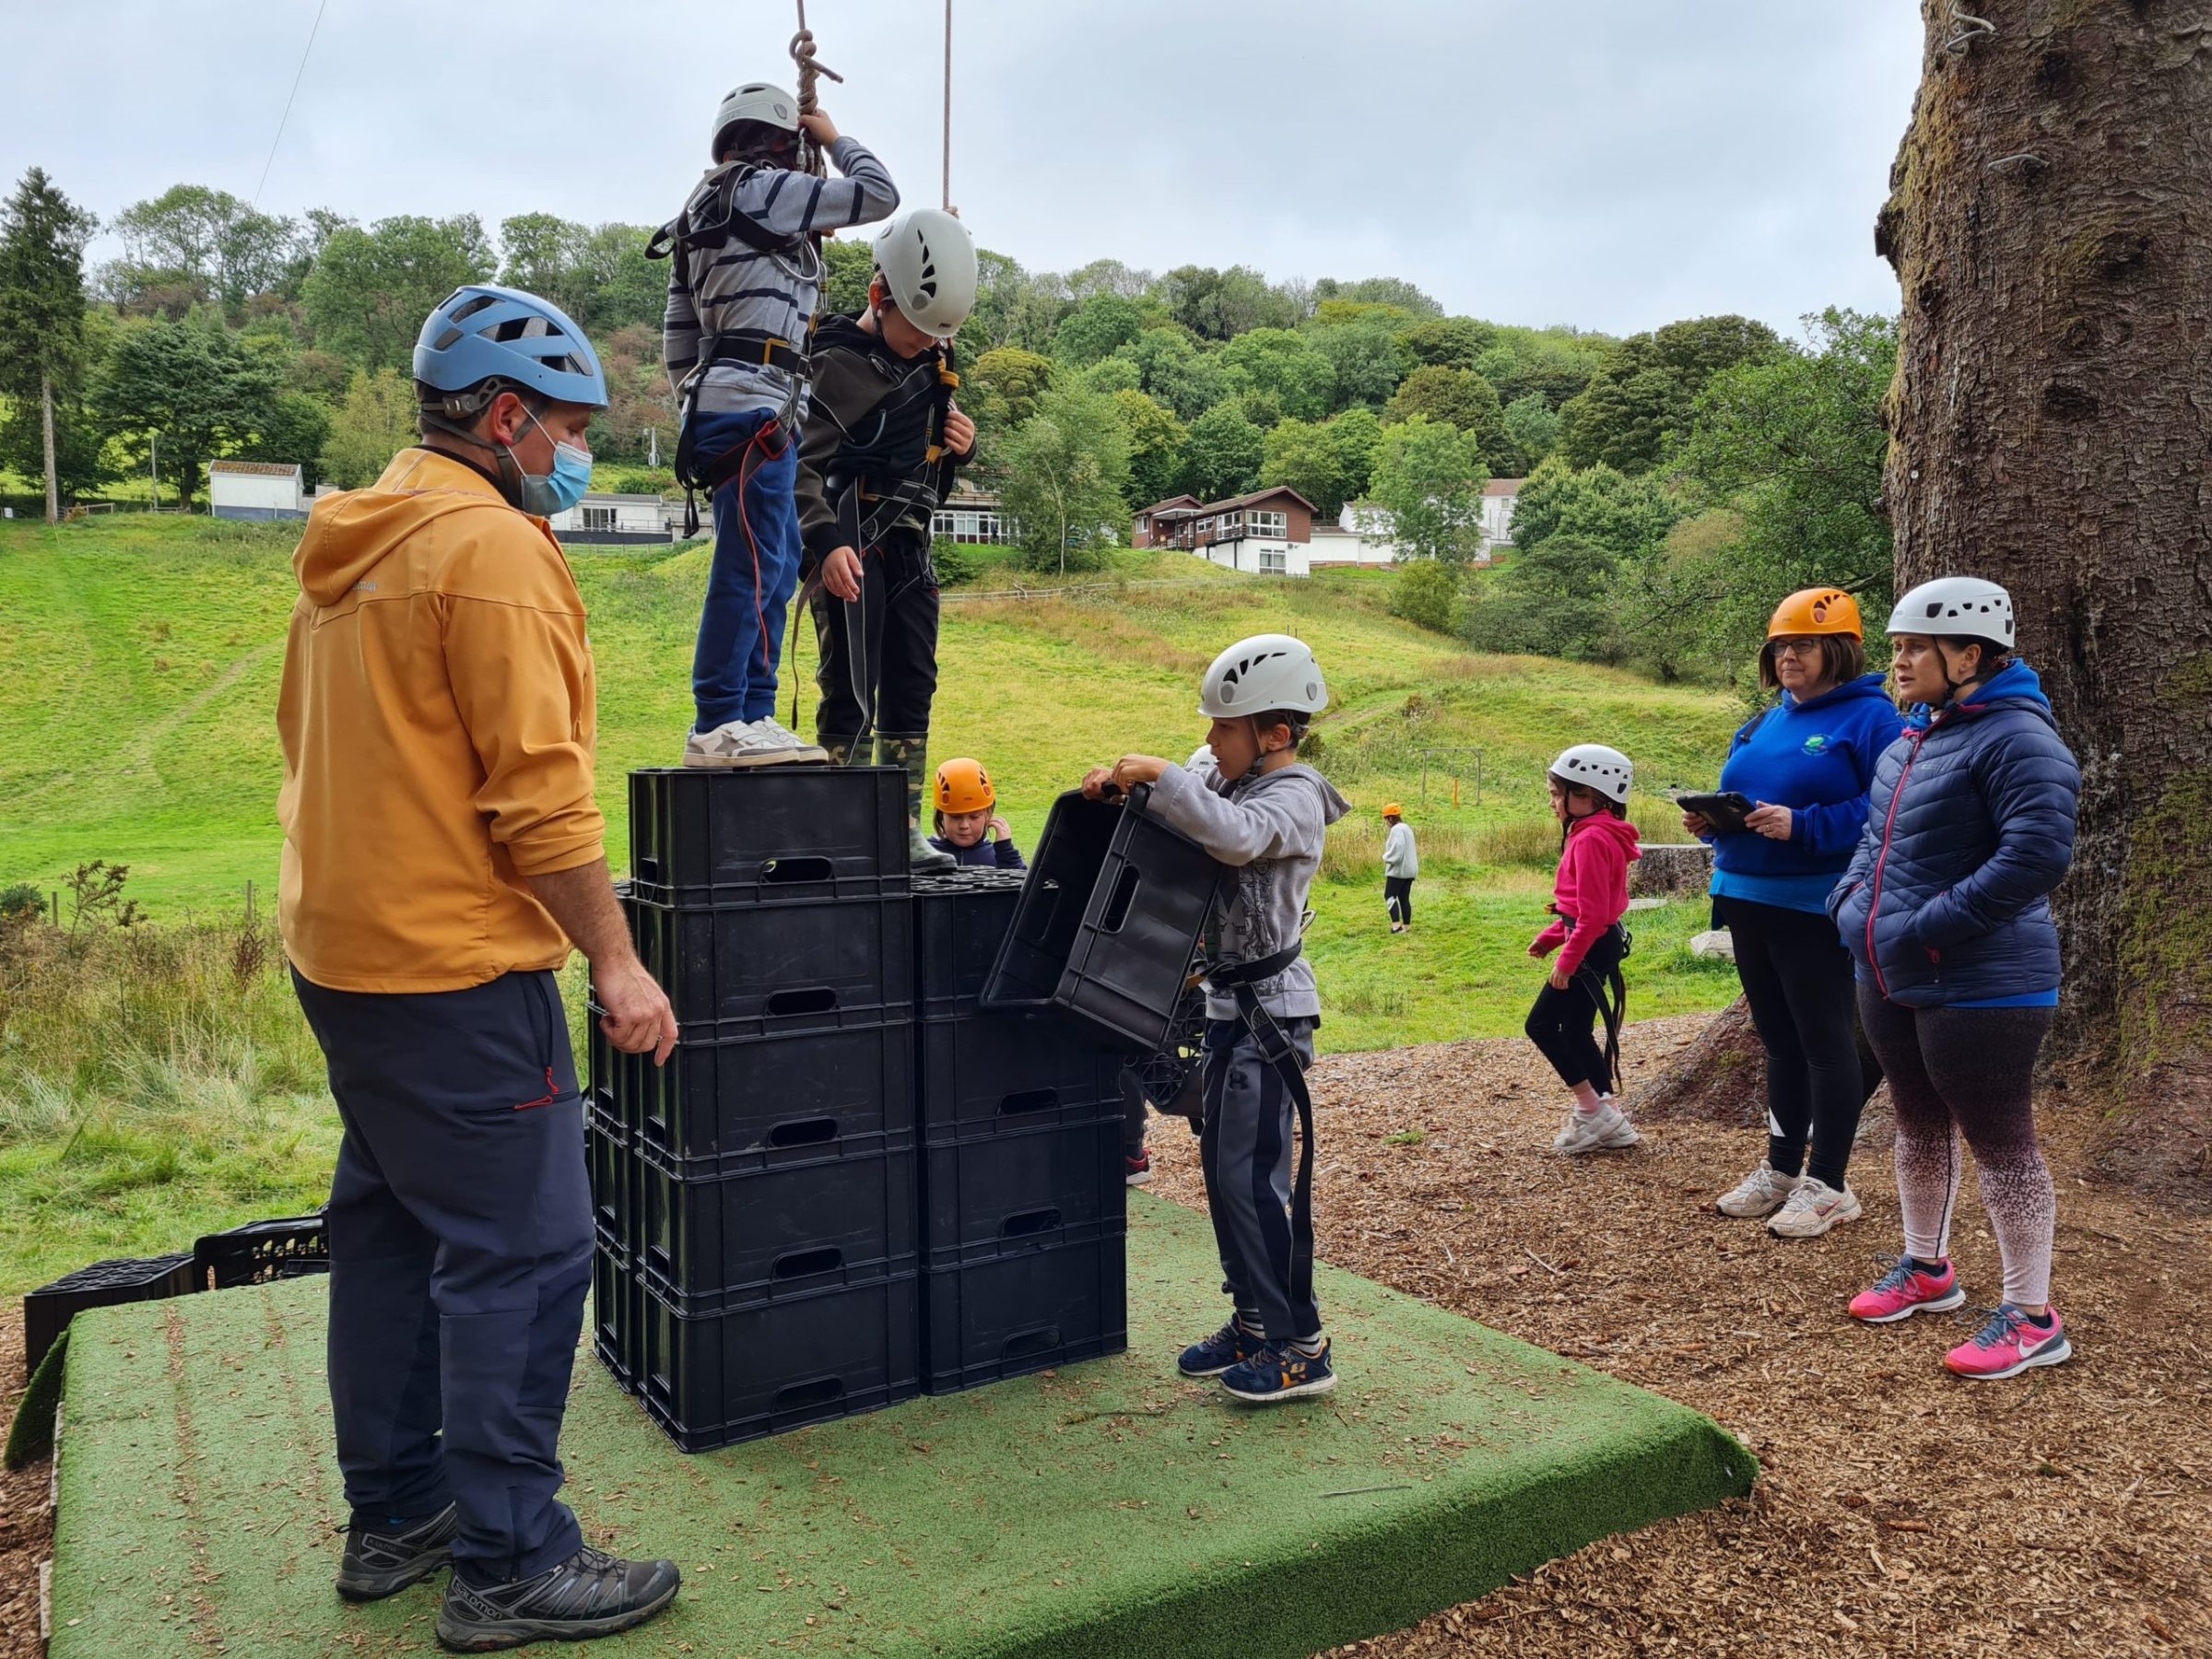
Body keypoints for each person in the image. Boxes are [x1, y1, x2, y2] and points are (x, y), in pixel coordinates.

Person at [276, 285, 683, 1649]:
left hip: (341, 955)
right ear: (506, 418)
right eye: (570, 427)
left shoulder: (356, 540)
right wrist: (617, 965)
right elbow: (539, 803)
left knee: (394, 1230)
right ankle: (511, 1558)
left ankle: (397, 1510)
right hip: (455, 968)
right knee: (525, 1250)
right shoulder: (493, 553)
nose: (579, 454)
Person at [1082, 634, 1348, 1404]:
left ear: (1275, 735)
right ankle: (1254, 1321)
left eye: (1223, 728)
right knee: (1226, 1180)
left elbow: (1233, 839)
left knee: (1252, 1179)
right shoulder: (1229, 779)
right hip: (1228, 1010)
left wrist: (1161, 776)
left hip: (1274, 1017)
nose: (1207, 741)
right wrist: (1124, 786)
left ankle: (1302, 1345)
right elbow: (1188, 797)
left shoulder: (1295, 798)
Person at [1831, 576, 2079, 1381]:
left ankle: (2033, 1317)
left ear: (1968, 654)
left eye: (1913, 648)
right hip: (1893, 967)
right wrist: (1850, 908)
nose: (1896, 661)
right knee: (1916, 1120)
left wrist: (1922, 928)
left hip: (1987, 979)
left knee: (2002, 1142)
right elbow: (1875, 848)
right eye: (1897, 646)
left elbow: (2035, 857)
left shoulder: (2019, 739)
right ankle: (1927, 1268)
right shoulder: (1913, 739)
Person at [659, 81, 900, 768]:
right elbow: (878, 193)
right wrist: (831, 135)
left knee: (772, 563)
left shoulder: (698, 211)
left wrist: (695, 402)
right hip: (757, 400)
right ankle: (719, 722)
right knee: (755, 566)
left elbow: (680, 330)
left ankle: (753, 716)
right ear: (779, 142)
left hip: (732, 401)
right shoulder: (762, 187)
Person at [1692, 588, 1904, 1238]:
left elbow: (1890, 811)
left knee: (1825, 1043)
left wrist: (1804, 825)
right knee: (1778, 1042)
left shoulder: (1872, 720)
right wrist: (1711, 823)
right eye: (1780, 646)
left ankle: (1831, 1183)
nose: (1789, 657)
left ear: (1838, 650)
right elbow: (1750, 797)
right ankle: (1783, 1169)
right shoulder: (1762, 721)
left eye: (1804, 645)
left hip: (1817, 905)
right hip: (1746, 896)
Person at [795, 208, 980, 871]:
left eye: (940, 337)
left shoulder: (933, 350)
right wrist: (824, 543)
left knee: (911, 685)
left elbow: (924, 459)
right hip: (852, 535)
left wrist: (960, 444)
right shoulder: (838, 363)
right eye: (919, 334)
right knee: (850, 686)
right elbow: (799, 464)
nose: (931, 347)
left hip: (910, 545)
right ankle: (841, 829)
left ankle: (898, 827)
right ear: (879, 297)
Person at [1527, 745, 1641, 1156]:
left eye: (1559, 794)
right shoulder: (1595, 832)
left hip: (1590, 945)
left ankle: (1592, 1109)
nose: (1554, 803)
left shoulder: (1591, 839)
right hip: (1593, 940)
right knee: (1575, 1030)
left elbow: (1593, 915)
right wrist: (1552, 935)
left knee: (1540, 1026)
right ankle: (1610, 1117)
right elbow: (1588, 907)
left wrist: (1567, 959)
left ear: (1591, 796)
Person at [928, 756, 1025, 868]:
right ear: (940, 816)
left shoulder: (998, 855)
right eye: (955, 817)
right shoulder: (924, 855)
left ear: (987, 815)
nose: (964, 826)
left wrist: (1007, 853)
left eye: (974, 817)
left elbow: (1026, 884)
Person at [1382, 803, 1418, 932]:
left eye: (1386, 819)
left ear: (1391, 818)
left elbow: (1398, 849)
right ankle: (1406, 926)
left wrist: (1386, 858)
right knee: (1404, 898)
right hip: (1410, 870)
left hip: (1398, 871)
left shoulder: (1396, 830)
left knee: (1389, 896)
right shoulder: (1407, 828)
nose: (1386, 822)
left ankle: (1396, 926)